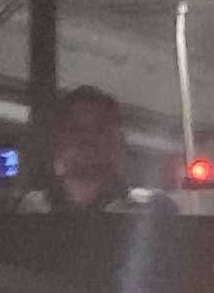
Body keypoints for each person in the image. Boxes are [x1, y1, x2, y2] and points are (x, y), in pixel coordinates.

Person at [16, 85, 169, 213]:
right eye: (76, 129)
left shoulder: (151, 212)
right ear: (58, 141)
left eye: (99, 129)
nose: (87, 139)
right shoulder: (31, 211)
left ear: (118, 142)